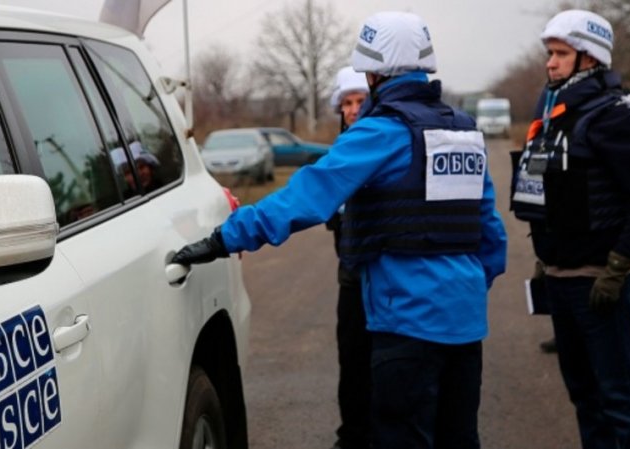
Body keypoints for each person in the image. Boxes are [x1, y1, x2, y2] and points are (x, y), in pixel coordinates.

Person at [173, 11, 507, 449]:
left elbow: (307, 196)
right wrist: (458, 293)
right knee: (459, 438)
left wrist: (224, 237)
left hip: (406, 323)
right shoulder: (464, 132)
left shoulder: (380, 132)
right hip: (465, 327)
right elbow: (492, 237)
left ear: (373, 73)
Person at [510, 9, 630, 448]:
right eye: (550, 53)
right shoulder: (554, 115)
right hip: (561, 280)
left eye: (561, 53)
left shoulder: (613, 115)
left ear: (589, 59)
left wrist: (619, 264)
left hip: (599, 283)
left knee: (620, 400)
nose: (550, 62)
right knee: (584, 396)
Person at [325, 66, 371, 449]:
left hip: (386, 276)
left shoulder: (388, 144)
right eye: (347, 103)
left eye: (360, 101)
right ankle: (352, 435)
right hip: (350, 275)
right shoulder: (337, 154)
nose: (353, 110)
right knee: (352, 359)